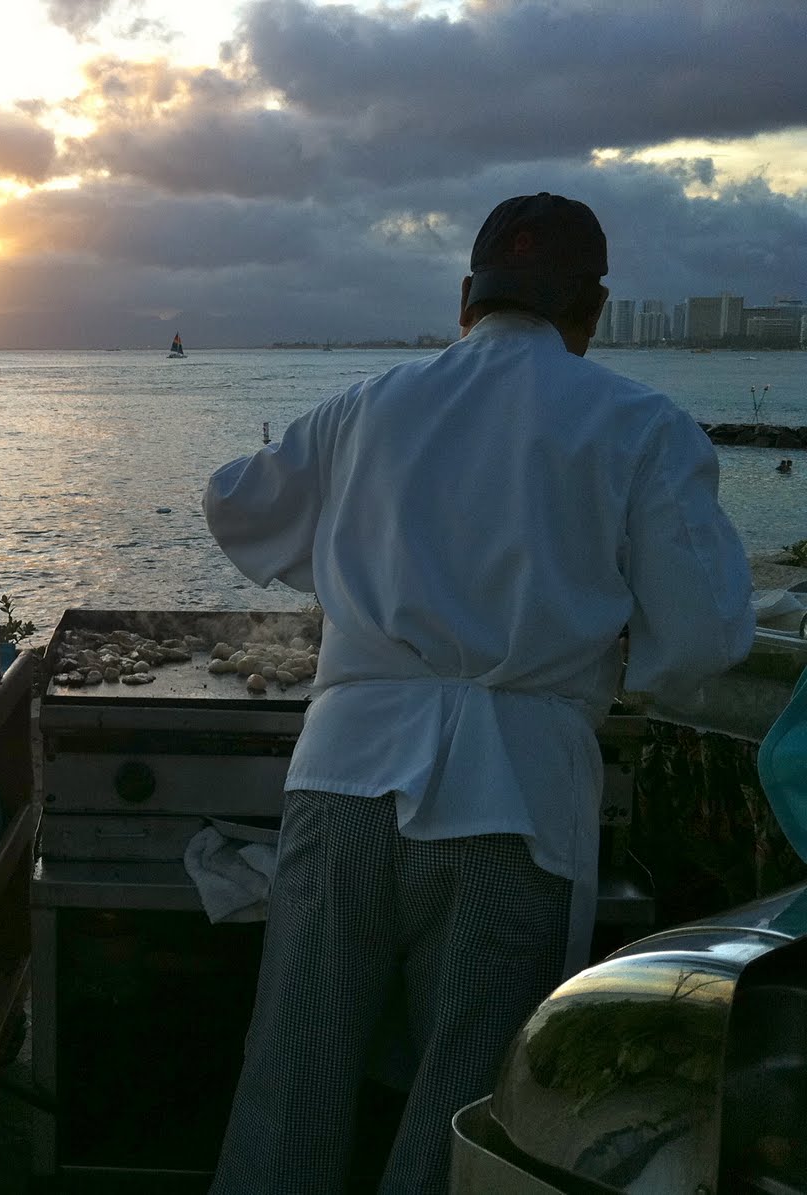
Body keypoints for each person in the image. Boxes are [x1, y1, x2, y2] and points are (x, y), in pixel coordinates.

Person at [202, 192, 755, 1193]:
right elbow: (706, 638)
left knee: (293, 1083)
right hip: (514, 799)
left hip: (343, 779)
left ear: (466, 296)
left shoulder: (361, 406)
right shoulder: (642, 427)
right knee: (465, 1105)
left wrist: (354, 555)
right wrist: (607, 648)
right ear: (590, 310)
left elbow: (236, 505)